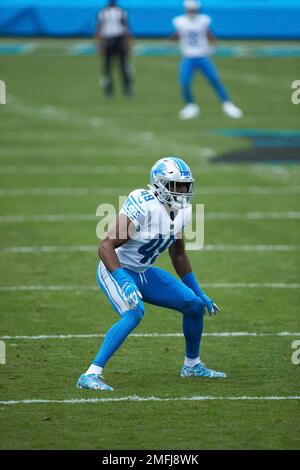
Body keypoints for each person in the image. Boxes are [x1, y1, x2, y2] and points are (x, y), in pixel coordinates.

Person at [77, 156, 226, 391]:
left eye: (185, 186)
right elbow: (105, 245)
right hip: (116, 269)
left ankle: (192, 365)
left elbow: (178, 255)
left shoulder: (183, 211)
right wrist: (122, 279)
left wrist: (199, 291)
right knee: (134, 313)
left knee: (194, 305)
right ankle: (90, 374)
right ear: (159, 184)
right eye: (177, 186)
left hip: (144, 273)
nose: (183, 192)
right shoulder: (143, 204)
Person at [171, 0, 243, 120]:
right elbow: (179, 33)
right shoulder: (180, 21)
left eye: (194, 10)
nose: (192, 12)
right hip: (188, 57)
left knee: (215, 80)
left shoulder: (203, 20)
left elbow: (208, 33)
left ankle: (227, 104)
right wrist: (171, 40)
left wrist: (215, 43)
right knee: (185, 83)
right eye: (190, 10)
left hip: (203, 56)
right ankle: (191, 106)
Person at [95, 0, 133, 97]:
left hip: (118, 39)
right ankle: (109, 91)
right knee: (107, 68)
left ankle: (127, 89)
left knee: (123, 66)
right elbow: (99, 28)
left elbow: (125, 28)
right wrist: (100, 44)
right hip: (108, 39)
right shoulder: (103, 12)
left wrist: (127, 44)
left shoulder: (121, 12)